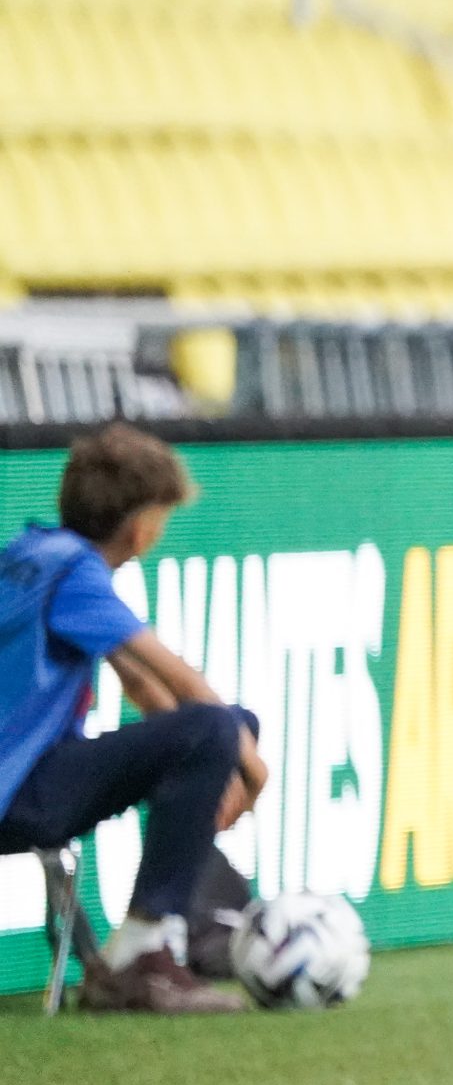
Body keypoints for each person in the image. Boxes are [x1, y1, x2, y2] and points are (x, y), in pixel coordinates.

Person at [0, 425, 266, 1014]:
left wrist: (211, 764)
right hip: (19, 797)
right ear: (141, 527)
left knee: (213, 730)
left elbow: (143, 686)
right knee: (219, 725)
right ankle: (141, 955)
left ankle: (161, 933)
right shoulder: (78, 575)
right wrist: (252, 771)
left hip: (20, 784)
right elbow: (182, 683)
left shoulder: (33, 554)